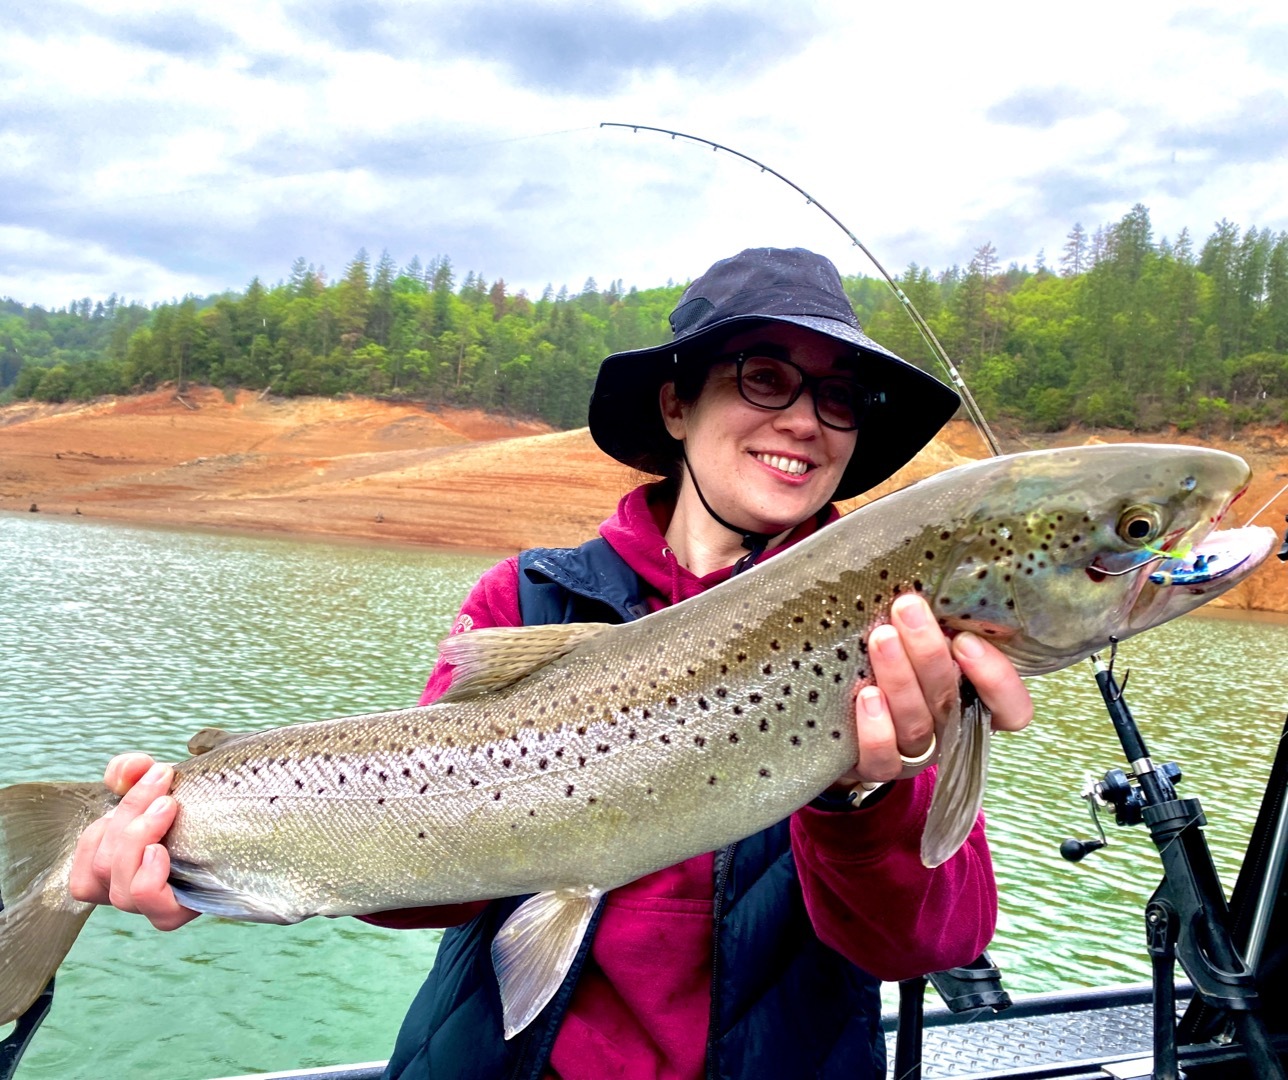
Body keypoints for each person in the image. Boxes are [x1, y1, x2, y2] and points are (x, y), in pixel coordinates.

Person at [70, 247, 1033, 1079]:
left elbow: (931, 944)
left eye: (839, 397)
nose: (805, 420)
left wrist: (861, 796)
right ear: (675, 405)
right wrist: (197, 855)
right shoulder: (522, 600)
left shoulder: (901, 630)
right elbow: (432, 880)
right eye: (764, 377)